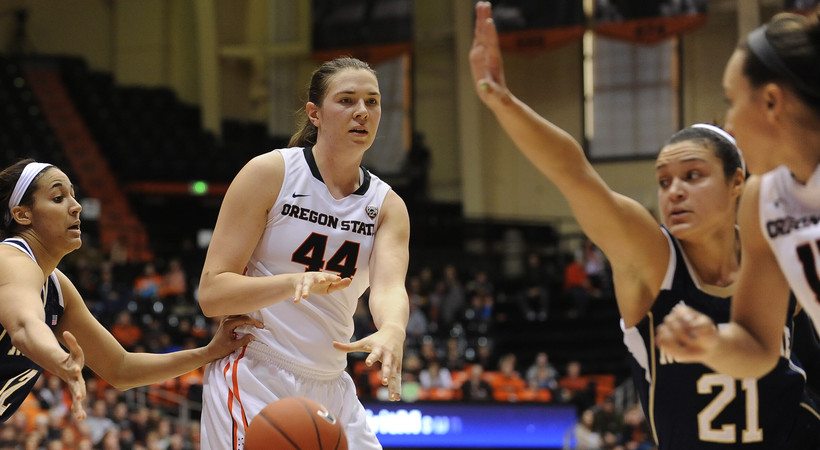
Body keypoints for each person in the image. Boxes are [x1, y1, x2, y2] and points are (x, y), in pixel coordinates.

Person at [469, 2, 819, 448]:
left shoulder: (773, 210)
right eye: (663, 181)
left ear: (735, 182)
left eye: (692, 176)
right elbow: (575, 176)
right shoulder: (665, 252)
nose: (673, 191)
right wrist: (503, 101)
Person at [196, 56, 410, 450]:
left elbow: (388, 288)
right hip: (258, 370)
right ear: (314, 113)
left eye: (372, 101)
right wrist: (294, 283)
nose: (362, 112)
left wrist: (393, 329)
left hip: (333, 383)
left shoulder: (387, 205)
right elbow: (212, 294)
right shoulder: (270, 173)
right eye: (346, 100)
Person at [0, 159, 259, 424]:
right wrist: (62, 360)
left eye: (73, 196)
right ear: (23, 214)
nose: (76, 207)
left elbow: (121, 369)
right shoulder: (10, 259)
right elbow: (23, 324)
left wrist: (207, 353)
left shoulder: (55, 285)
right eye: (58, 198)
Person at [656, 9, 820, 380]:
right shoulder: (765, 199)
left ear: (771, 102)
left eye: (732, 100)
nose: (727, 123)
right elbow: (758, 344)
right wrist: (713, 343)